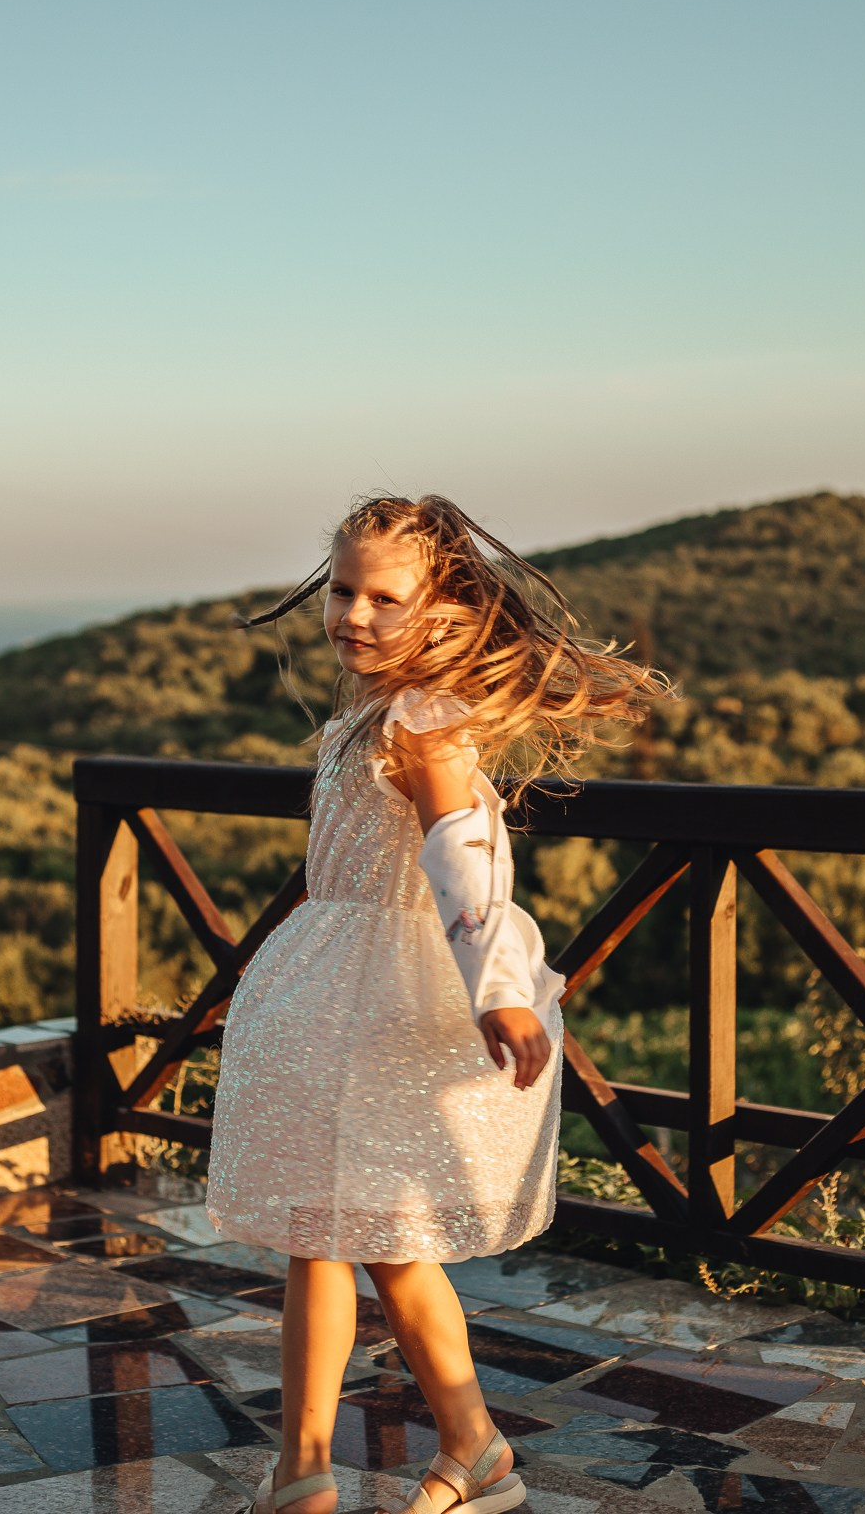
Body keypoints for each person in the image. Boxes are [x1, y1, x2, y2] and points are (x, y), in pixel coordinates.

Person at [204, 494, 670, 1514]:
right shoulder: (361, 718)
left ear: (442, 611)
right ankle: (349, 1465)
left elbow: (465, 848)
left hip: (393, 1004)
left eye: (385, 597)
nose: (355, 616)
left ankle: (420, 1456)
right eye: (342, 590)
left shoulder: (422, 722)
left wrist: (501, 991)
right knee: (335, 1238)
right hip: (333, 993)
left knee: (375, 1243)